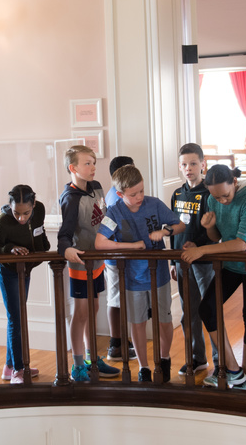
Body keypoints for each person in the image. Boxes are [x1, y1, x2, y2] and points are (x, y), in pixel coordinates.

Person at [181, 165, 246, 389]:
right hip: (232, 265)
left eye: (226, 195)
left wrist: (201, 250)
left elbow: (241, 244)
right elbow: (218, 237)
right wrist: (210, 227)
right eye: (216, 196)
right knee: (208, 309)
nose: (221, 201)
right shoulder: (212, 199)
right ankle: (234, 370)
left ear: (234, 182)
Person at [95, 164, 185, 382]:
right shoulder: (114, 211)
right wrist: (131, 247)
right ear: (120, 194)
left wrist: (163, 232)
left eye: (141, 191)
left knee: (164, 320)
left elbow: (180, 225)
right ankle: (144, 368)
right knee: (137, 322)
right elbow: (100, 242)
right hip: (133, 278)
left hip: (160, 276)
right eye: (133, 194)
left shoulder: (154, 204)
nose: (139, 197)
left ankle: (164, 360)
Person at [57, 145, 120, 381]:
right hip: (80, 264)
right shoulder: (70, 199)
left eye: (94, 162)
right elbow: (63, 235)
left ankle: (93, 359)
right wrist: (68, 250)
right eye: (87, 163)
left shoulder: (97, 187)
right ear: (73, 168)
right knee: (81, 312)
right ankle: (77, 365)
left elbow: (104, 217)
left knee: (93, 310)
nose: (93, 167)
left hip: (98, 260)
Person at [0, 184, 49, 384]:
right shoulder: (3, 221)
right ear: (9, 207)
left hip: (25, 269)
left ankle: (9, 366)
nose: (21, 218)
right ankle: (19, 370)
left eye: (26, 213)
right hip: (8, 270)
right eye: (16, 213)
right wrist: (10, 248)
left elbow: (38, 233)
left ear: (34, 205)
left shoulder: (39, 211)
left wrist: (42, 248)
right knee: (16, 317)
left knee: (17, 316)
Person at [169, 143, 219, 376]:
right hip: (181, 262)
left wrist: (199, 245)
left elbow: (213, 230)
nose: (188, 168)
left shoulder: (209, 195)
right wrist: (172, 261)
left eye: (193, 164)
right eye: (184, 165)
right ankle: (197, 357)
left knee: (210, 309)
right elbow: (173, 229)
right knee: (188, 312)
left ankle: (221, 361)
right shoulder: (177, 194)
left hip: (204, 262)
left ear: (203, 165)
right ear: (179, 167)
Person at [103, 155, 136, 361]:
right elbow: (126, 231)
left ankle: (123, 339)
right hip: (117, 258)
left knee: (122, 299)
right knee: (115, 299)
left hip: (123, 257)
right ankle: (116, 343)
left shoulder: (122, 194)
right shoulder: (116, 198)